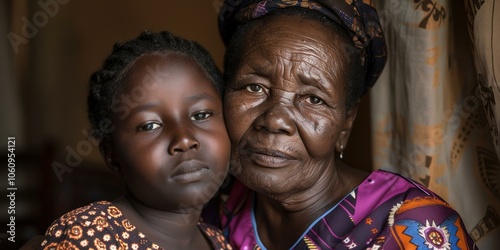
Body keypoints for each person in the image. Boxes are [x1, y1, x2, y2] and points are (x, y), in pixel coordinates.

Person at [209, 0, 479, 249]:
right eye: (254, 87)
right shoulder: (216, 198)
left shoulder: (413, 226)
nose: (275, 120)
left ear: (346, 123)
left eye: (313, 99)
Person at [39, 30, 232, 250]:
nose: (184, 140)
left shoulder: (218, 242)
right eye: (149, 125)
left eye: (201, 115)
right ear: (112, 156)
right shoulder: (91, 236)